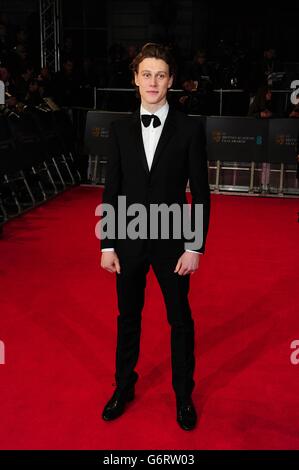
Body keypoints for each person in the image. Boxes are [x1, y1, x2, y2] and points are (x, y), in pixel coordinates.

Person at [100, 43, 210, 431]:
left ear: (171, 81)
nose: (153, 81)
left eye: (160, 75)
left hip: (173, 243)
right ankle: (123, 387)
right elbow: (111, 189)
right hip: (127, 241)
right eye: (146, 74)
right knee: (127, 317)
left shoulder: (191, 128)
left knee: (180, 320)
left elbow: (200, 191)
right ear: (135, 78)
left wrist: (195, 246)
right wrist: (107, 244)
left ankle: (183, 395)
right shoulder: (118, 129)